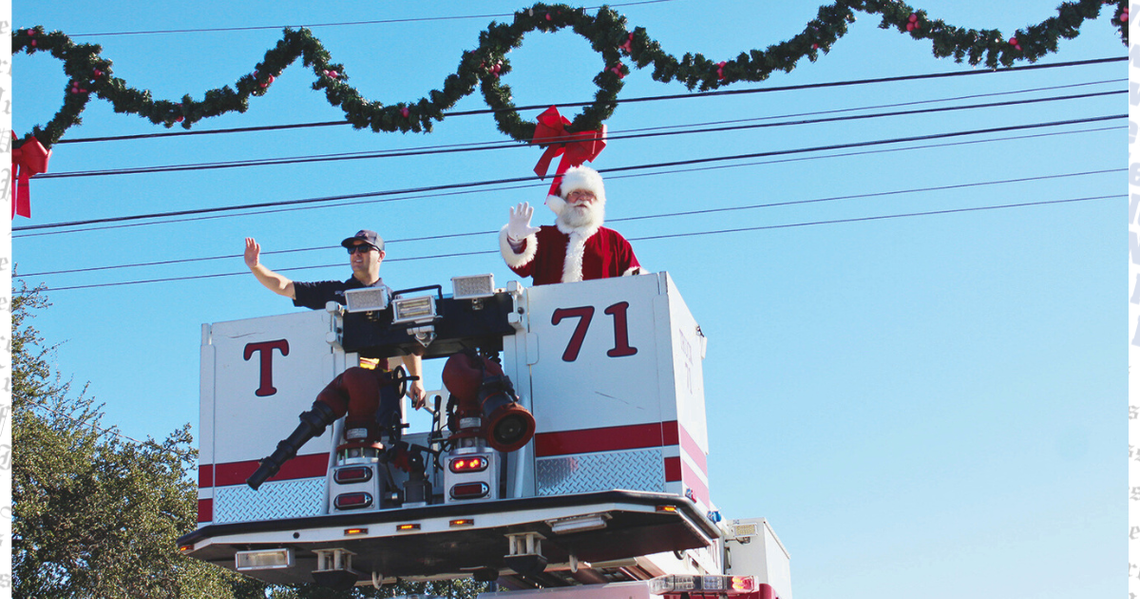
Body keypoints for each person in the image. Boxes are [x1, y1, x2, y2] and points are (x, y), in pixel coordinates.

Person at [243, 230, 426, 408]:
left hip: (379, 393)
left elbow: (409, 344)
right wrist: (255, 267)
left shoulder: (393, 300)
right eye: (351, 250)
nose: (356, 254)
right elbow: (285, 287)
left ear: (381, 256)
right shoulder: (333, 292)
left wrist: (417, 380)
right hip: (337, 390)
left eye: (363, 248)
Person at [500, 166, 641, 285]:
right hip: (550, 314)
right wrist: (516, 241)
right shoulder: (544, 237)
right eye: (576, 193)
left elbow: (637, 282)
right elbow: (522, 268)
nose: (582, 198)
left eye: (589, 194)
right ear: (562, 200)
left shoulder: (613, 240)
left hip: (605, 315)